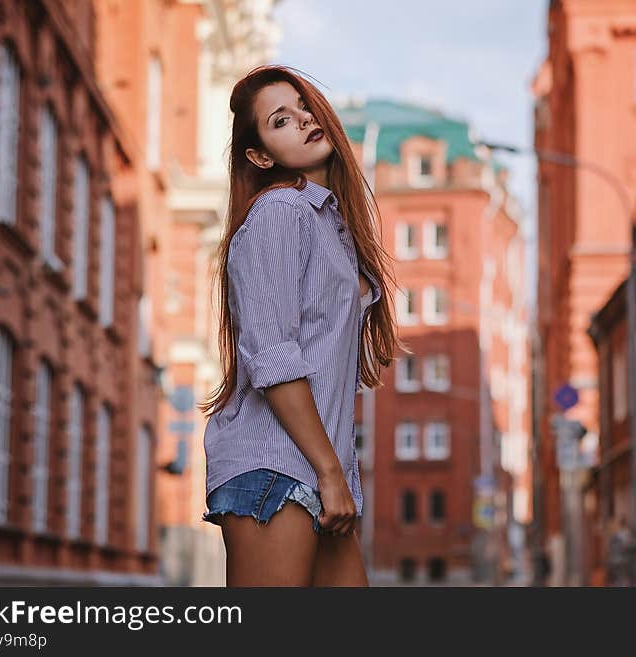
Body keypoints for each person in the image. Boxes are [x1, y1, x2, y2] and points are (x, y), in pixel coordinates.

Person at [197, 65, 405, 586]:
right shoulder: (280, 211)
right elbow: (272, 356)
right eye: (280, 120)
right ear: (261, 156)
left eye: (303, 106)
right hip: (275, 469)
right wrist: (331, 471)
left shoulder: (329, 224)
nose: (304, 119)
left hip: (316, 469)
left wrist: (335, 475)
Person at [605, 515, 631, 587]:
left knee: (616, 579)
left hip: (614, 560)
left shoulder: (615, 535)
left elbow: (609, 549)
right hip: (621, 559)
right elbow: (625, 547)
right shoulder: (626, 534)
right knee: (621, 578)